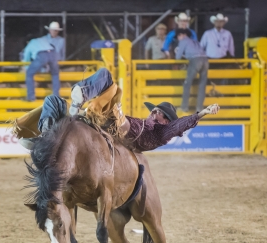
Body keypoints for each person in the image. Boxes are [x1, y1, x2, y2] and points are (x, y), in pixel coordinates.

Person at [16, 68, 220, 151]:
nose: (154, 112)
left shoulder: (160, 134)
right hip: (109, 121)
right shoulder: (144, 123)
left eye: (160, 113)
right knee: (52, 101)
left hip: (118, 130)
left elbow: (180, 124)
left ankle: (81, 100)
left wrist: (202, 113)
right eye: (155, 110)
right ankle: (46, 138)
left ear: (167, 121)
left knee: (110, 81)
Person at [175, 29, 209, 112]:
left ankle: (184, 107)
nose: (178, 38)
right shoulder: (195, 41)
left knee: (187, 84)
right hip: (205, 60)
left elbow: (178, 57)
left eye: (178, 36)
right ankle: (199, 108)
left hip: (195, 60)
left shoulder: (183, 41)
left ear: (182, 34)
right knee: (202, 85)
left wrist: (178, 52)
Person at [23, 36, 60, 101]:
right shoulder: (42, 40)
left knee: (29, 73)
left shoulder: (30, 43)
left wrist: (26, 67)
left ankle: (31, 96)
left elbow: (26, 57)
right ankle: (56, 95)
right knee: (55, 74)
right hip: (53, 53)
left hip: (42, 54)